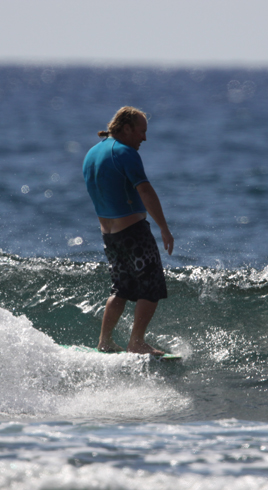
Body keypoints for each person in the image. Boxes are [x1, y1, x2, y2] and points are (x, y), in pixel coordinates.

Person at [83, 106, 174, 355]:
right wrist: (164, 228)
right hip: (133, 231)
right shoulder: (125, 153)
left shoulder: (91, 153)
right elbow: (145, 191)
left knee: (120, 288)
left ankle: (104, 341)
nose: (144, 138)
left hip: (109, 234)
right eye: (141, 132)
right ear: (126, 129)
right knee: (152, 284)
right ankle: (136, 342)